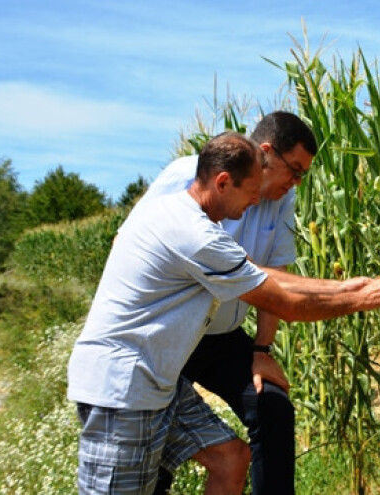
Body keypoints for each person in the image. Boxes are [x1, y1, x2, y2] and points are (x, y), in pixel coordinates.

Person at [67, 131, 380, 495]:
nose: (258, 200)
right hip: (123, 386)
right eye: (251, 191)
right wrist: (361, 300)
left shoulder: (194, 219)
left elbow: (263, 274)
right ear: (223, 182)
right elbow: (285, 304)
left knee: (231, 458)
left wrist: (345, 286)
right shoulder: (196, 234)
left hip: (159, 380)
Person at [142, 112, 321, 494]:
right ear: (267, 153)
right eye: (295, 170)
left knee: (271, 407)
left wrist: (261, 349)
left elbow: (275, 276)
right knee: (155, 442)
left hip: (222, 334)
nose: (296, 183)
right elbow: (134, 241)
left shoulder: (280, 201)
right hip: (174, 331)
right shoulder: (187, 176)